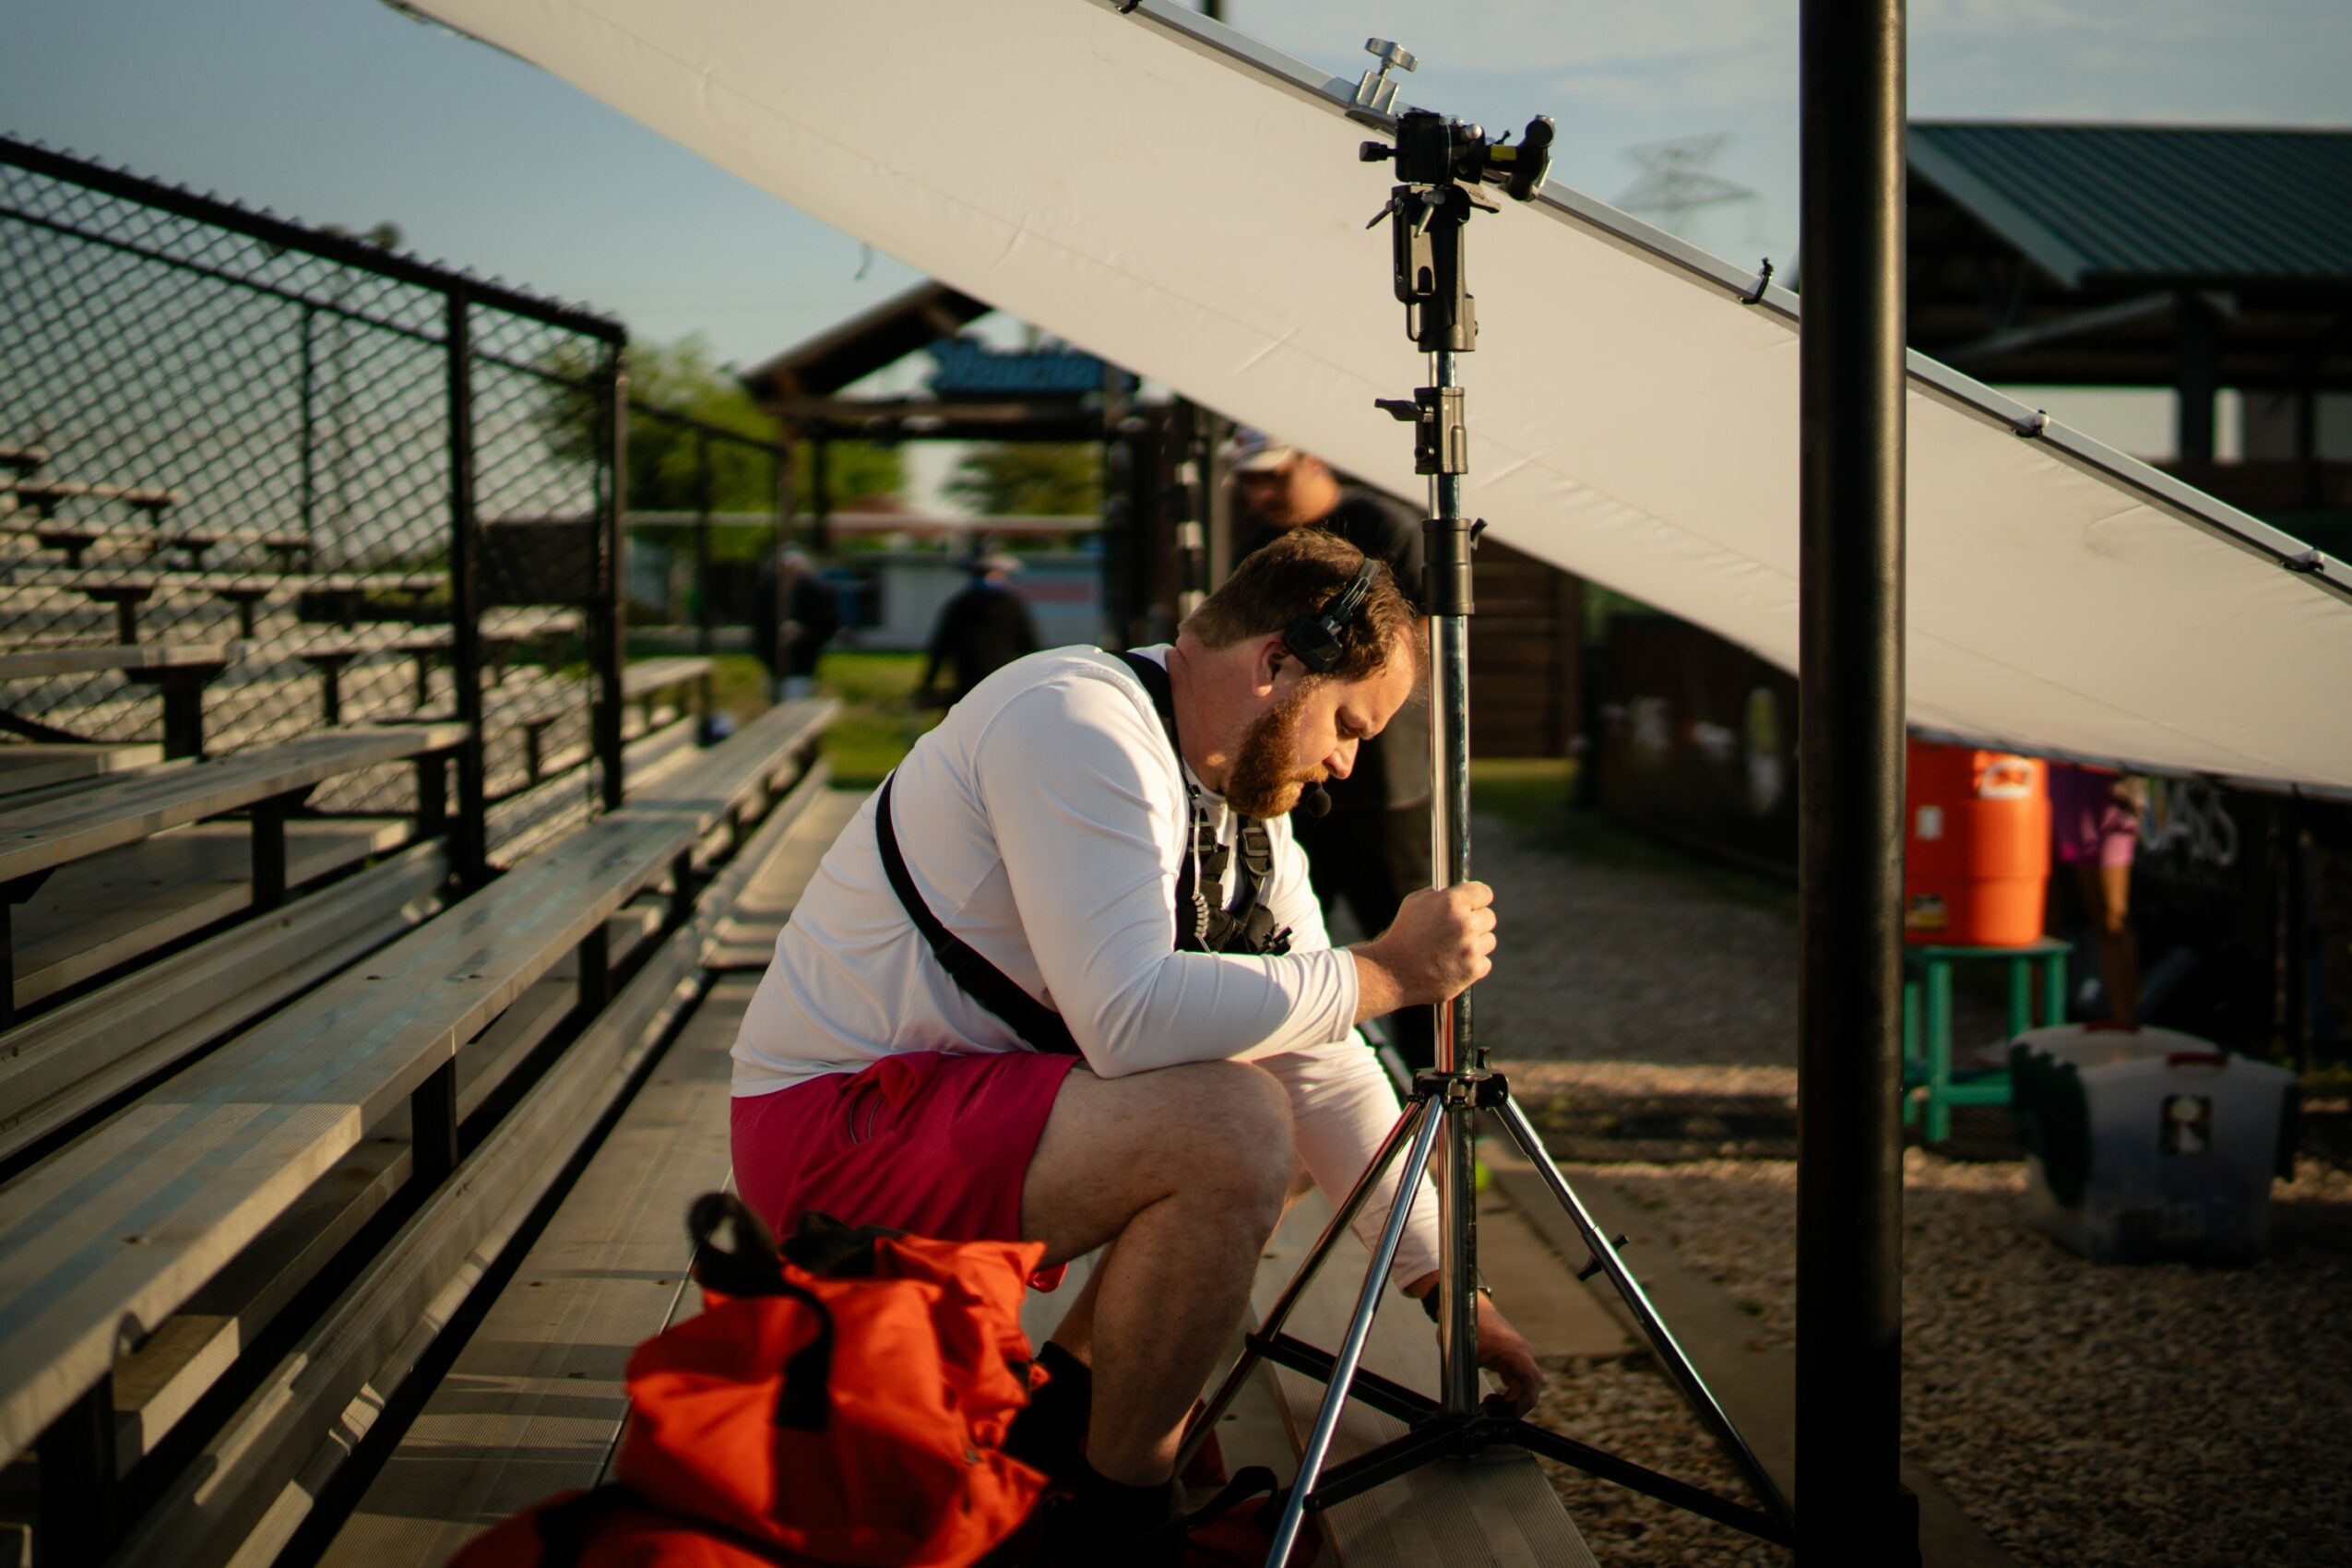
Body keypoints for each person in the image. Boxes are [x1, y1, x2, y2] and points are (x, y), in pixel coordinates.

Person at [731, 529, 1540, 1561]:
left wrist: (1446, 1283)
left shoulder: (1234, 794)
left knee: (1271, 1087)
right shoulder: (1076, 719)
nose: (1345, 760)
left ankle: (1062, 1423)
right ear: (1276, 663)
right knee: (1231, 1121)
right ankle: (1115, 1527)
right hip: (828, 1140)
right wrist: (1387, 971)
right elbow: (1125, 1014)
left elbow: (1322, 1052)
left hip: (948, 1111)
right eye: (1346, 723)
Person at [1229, 433, 1438, 1074]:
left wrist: (1348, 709)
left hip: (1386, 788)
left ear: (1313, 459)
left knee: (1410, 950)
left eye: (1273, 477)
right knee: (1275, 942)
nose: (1261, 494)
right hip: (1292, 782)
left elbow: (1421, 645)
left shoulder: (1384, 525)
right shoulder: (1258, 548)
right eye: (1248, 484)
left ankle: (1433, 1094)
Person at [2049, 761, 2144, 1028]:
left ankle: (2128, 1029)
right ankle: (2038, 1031)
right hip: (2056, 779)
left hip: (2106, 788)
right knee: (2044, 921)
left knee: (2111, 917)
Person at [915, 549, 1040, 707]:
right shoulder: (961, 606)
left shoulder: (1012, 606)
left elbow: (1030, 648)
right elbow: (940, 648)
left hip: (1002, 686)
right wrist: (927, 685)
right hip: (968, 686)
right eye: (980, 573)